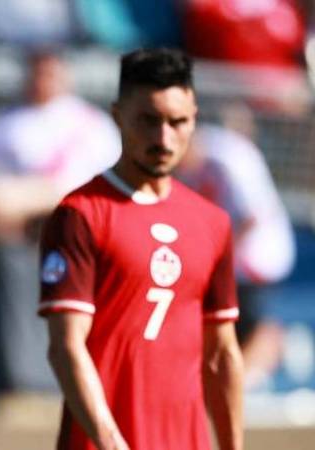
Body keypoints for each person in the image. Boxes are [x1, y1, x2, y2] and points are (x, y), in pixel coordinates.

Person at [38, 49, 243, 450]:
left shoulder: (212, 222)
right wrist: (111, 443)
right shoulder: (80, 215)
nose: (163, 139)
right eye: (148, 121)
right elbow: (66, 346)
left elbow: (221, 355)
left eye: (177, 122)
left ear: (194, 118)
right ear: (117, 115)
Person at [0, 50, 120, 392]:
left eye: (51, 72)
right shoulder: (7, 121)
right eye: (39, 72)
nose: (44, 80)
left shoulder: (89, 123)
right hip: (20, 240)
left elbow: (102, 184)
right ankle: (20, 383)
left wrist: (33, 196)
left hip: (77, 234)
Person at [177, 122, 295, 388]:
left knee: (250, 322)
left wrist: (214, 256)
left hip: (255, 256)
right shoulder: (192, 166)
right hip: (229, 258)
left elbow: (252, 217)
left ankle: (248, 382)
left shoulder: (228, 159)